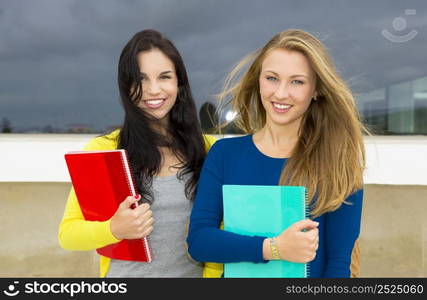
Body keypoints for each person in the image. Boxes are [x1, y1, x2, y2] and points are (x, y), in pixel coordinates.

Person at [187, 29, 367, 278]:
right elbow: (199, 242)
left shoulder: (338, 162)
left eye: (297, 81)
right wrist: (274, 248)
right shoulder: (225, 154)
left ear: (316, 89)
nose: (281, 93)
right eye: (272, 78)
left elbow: (338, 264)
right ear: (258, 80)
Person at [58, 29, 216, 278]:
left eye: (164, 77)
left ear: (179, 83)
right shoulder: (105, 150)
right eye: (140, 79)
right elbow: (68, 235)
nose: (153, 90)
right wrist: (114, 228)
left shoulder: (209, 149)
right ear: (126, 85)